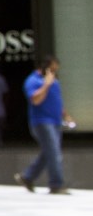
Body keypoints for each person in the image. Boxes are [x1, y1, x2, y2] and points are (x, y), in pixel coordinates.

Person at [20, 55, 73, 194]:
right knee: (54, 153)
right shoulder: (32, 81)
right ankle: (56, 184)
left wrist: (65, 115)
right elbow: (36, 100)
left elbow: (57, 100)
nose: (54, 72)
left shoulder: (54, 81)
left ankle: (27, 177)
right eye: (52, 69)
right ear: (44, 67)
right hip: (42, 122)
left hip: (55, 122)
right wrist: (46, 84)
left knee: (49, 152)